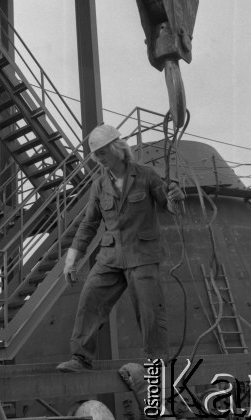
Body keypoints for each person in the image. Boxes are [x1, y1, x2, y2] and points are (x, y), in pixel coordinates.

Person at [56, 124, 184, 373]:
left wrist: (175, 198)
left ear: (117, 149)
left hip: (143, 254)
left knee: (150, 312)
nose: (100, 159)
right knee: (90, 299)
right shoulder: (99, 185)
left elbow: (167, 205)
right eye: (97, 155)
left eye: (103, 153)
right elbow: (89, 224)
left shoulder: (146, 175)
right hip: (111, 256)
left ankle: (156, 362)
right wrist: (72, 258)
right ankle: (80, 358)